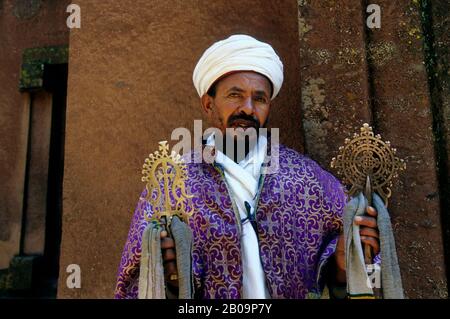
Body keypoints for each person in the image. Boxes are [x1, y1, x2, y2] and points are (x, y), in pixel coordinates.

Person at [114, 34, 380, 299]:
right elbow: (137, 280)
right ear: (208, 103)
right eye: (235, 95)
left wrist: (343, 265)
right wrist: (172, 280)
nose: (248, 109)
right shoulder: (174, 182)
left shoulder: (308, 179)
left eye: (259, 99)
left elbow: (346, 277)